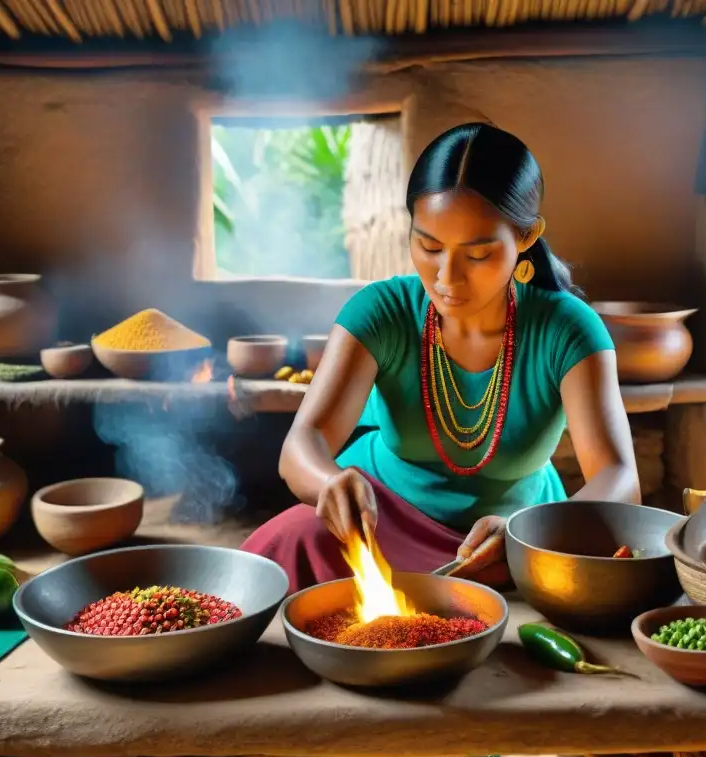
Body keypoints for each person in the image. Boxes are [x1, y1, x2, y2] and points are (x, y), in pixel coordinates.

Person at [242, 121, 639, 596]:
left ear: (527, 236)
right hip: (378, 521)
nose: (446, 277)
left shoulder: (567, 328)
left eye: (478, 254)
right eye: (429, 246)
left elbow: (620, 478)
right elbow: (301, 444)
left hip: (510, 536)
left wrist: (531, 532)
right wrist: (329, 482)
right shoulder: (382, 312)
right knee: (290, 544)